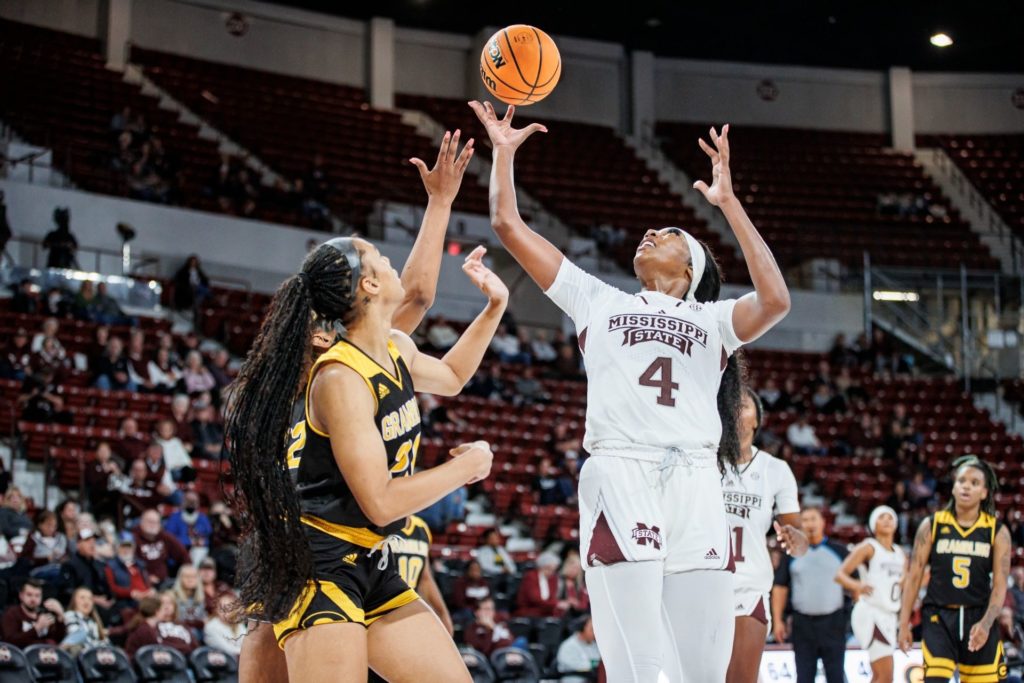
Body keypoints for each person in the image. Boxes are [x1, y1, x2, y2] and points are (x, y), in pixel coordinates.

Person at [469, 99, 790, 682]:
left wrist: (728, 205)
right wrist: (503, 154)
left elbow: (776, 301)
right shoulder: (600, 299)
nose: (650, 232)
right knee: (640, 666)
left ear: (689, 267)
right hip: (622, 471)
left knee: (703, 669)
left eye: (667, 233)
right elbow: (508, 226)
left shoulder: (714, 320)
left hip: (697, 478)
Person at [234, 131, 481, 683]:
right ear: (367, 284)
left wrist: (441, 200)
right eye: (380, 257)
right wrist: (464, 469)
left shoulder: (382, 345)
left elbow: (417, 295)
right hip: (313, 557)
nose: (391, 262)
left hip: (365, 556)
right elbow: (379, 501)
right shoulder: (338, 371)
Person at [898, 456, 1012, 682]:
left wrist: (987, 623)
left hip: (979, 616)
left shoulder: (997, 532)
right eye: (961, 481)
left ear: (984, 493)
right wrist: (903, 624)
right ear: (953, 488)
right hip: (939, 617)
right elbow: (913, 578)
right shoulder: (932, 525)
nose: (966, 486)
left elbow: (1000, 587)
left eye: (974, 482)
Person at [723, 387, 808, 683]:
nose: (735, 408)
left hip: (747, 585)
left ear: (757, 419)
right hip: (701, 582)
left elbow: (798, 538)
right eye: (729, 403)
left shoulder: (776, 470)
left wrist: (796, 540)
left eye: (742, 404)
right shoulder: (701, 462)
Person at [771, 507, 849, 683]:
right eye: (805, 520)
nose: (810, 523)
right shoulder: (791, 553)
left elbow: (855, 584)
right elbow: (780, 587)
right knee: (804, 677)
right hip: (802, 625)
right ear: (800, 525)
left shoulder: (840, 552)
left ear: (823, 522)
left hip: (833, 624)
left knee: (836, 677)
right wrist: (777, 621)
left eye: (814, 518)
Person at [835, 506, 907, 683]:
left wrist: (905, 623)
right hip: (871, 612)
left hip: (889, 615)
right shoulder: (869, 547)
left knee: (881, 676)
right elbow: (840, 575)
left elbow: (902, 588)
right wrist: (857, 585)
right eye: (881, 517)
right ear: (873, 524)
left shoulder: (901, 553)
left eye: (890, 517)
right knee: (885, 674)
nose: (886, 520)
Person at [1, 579, 66, 647]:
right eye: (29, 595)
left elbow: (58, 639)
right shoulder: (12, 613)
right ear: (21, 596)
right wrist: (37, 628)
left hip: (45, 655)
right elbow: (9, 642)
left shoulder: (45, 613)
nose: (33, 599)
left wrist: (60, 616)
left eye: (37, 595)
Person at [517, 552, 567, 617]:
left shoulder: (553, 578)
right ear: (541, 567)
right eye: (548, 569)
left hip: (546, 610)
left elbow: (552, 597)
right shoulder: (531, 577)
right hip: (530, 609)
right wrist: (556, 604)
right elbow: (534, 599)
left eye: (553, 570)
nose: (551, 572)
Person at [61, 587, 109, 655]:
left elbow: (104, 642)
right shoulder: (69, 615)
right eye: (82, 598)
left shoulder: (93, 622)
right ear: (74, 601)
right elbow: (76, 636)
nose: (86, 601)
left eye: (90, 599)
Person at [556, 616, 602, 683]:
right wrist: (595, 665)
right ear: (581, 628)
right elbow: (581, 666)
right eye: (592, 629)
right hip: (573, 679)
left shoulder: (595, 646)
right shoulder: (569, 646)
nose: (595, 633)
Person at [204, 591, 244, 656]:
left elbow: (245, 643)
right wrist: (247, 653)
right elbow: (228, 649)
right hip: (221, 662)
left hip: (239, 658)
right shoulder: (211, 627)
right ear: (216, 609)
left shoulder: (238, 624)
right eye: (221, 607)